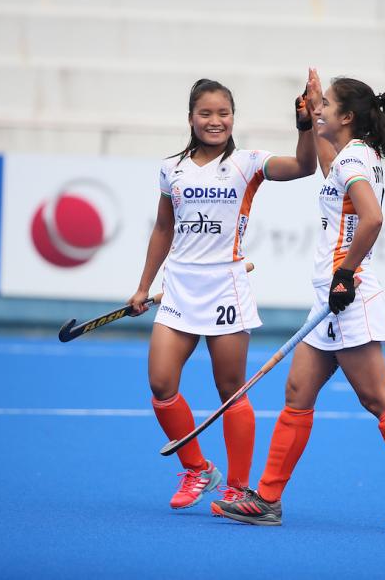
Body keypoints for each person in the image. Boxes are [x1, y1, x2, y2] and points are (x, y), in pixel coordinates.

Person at [211, 70, 385, 533]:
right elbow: (328, 164)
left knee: (377, 398)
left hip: (347, 296)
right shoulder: (353, 155)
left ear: (346, 116)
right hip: (328, 300)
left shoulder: (354, 162)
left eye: (325, 103)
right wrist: (307, 121)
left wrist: (344, 274)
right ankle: (267, 499)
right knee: (297, 393)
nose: (319, 107)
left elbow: (373, 218)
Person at [128, 77, 317, 510]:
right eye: (206, 114)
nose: (215, 121)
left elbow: (305, 167)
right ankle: (198, 469)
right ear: (191, 118)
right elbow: (163, 227)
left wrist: (304, 125)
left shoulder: (248, 163)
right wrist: (143, 286)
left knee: (230, 389)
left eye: (223, 113)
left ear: (234, 118)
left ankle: (235, 486)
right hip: (178, 287)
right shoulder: (170, 168)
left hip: (225, 288)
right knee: (161, 383)